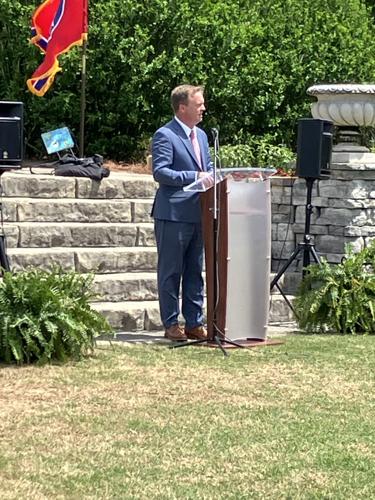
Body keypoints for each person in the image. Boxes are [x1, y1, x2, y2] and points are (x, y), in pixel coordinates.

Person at [151, 84, 213, 341]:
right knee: (171, 271)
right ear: (182, 107)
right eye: (198, 105)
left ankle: (194, 323)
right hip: (173, 214)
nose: (203, 109)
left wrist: (212, 177)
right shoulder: (165, 135)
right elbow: (161, 172)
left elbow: (208, 168)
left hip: (198, 213)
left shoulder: (202, 136)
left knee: (194, 271)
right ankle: (170, 324)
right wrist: (194, 176)